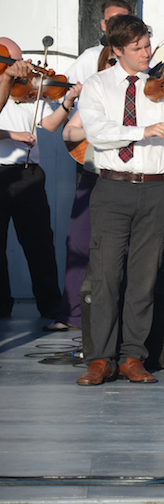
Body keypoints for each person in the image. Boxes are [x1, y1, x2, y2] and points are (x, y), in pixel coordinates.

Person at [76, 15, 164, 385]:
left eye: (147, 44)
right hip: (113, 187)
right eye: (138, 48)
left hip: (156, 188)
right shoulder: (97, 85)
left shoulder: (163, 84)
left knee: (144, 276)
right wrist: (143, 130)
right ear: (118, 50)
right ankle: (100, 359)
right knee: (106, 275)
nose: (147, 52)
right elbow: (98, 133)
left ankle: (132, 357)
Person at [45, 0, 132, 332]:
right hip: (94, 163)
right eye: (111, 21)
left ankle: (123, 316)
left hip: (129, 174)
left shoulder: (141, 76)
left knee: (124, 245)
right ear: (102, 25)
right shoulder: (88, 61)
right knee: (80, 238)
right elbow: (66, 114)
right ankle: (72, 314)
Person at [0, 38, 78, 320]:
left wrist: (67, 102)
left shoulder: (29, 90)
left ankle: (50, 305)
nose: (23, 67)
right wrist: (12, 135)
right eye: (12, 60)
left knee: (40, 241)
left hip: (28, 172)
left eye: (20, 60)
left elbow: (50, 124)